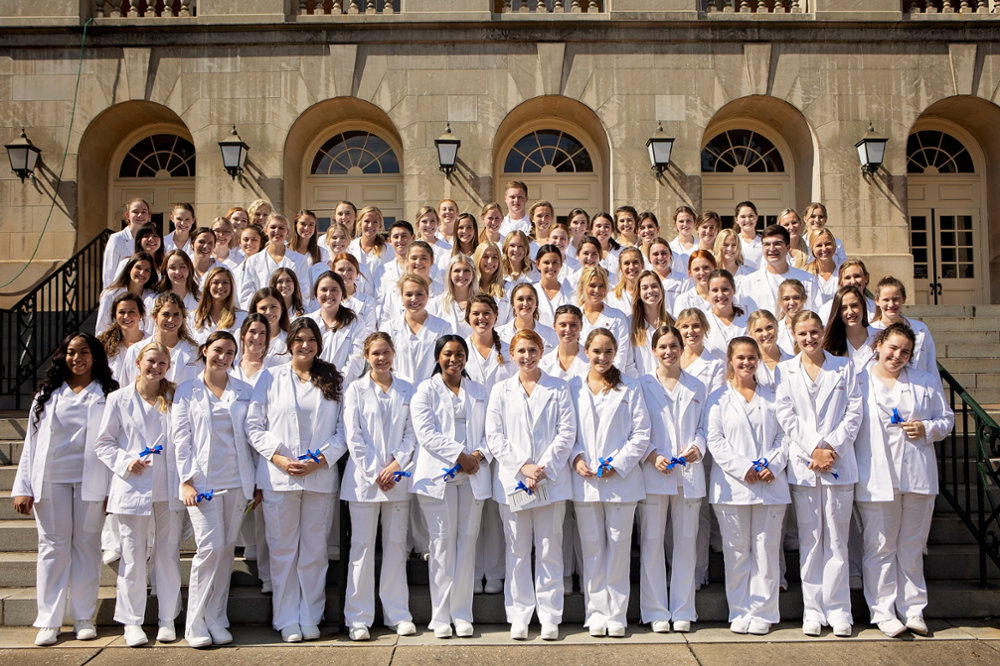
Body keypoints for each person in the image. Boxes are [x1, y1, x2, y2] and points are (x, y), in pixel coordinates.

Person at [246, 317, 347, 643]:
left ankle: (310, 615)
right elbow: (254, 425)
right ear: (289, 342)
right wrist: (277, 457)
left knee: (315, 551)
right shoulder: (270, 378)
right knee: (283, 549)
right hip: (280, 477)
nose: (305, 345)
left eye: (311, 340)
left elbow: (344, 431)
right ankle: (287, 617)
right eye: (299, 339)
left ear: (319, 343)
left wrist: (319, 461)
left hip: (319, 477)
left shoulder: (331, 377)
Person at [13, 333, 118, 646]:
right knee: (53, 548)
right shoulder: (47, 394)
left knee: (86, 547)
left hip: (93, 482)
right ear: (63, 356)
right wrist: (23, 486)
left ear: (95, 356)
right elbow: (31, 444)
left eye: (84, 352)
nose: (77, 358)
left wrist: (114, 488)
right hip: (51, 480)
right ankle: (49, 621)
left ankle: (84, 617)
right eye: (71, 352)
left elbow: (116, 441)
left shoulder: (109, 393)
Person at [855, 323, 954, 638]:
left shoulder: (924, 381)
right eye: (892, 348)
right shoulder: (858, 380)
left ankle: (913, 610)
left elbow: (947, 419)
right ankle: (883, 612)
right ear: (879, 343)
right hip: (877, 477)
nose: (897, 356)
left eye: (905, 352)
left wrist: (926, 428)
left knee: (911, 547)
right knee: (880, 546)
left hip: (917, 475)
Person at [775, 310, 864, 637]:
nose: (809, 338)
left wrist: (831, 448)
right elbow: (785, 415)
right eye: (803, 334)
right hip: (805, 463)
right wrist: (814, 447)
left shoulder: (844, 367)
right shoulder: (785, 370)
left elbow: (855, 411)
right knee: (812, 540)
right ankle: (812, 610)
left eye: (815, 332)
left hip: (838, 462)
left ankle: (839, 610)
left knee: (838, 541)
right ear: (794, 335)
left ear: (823, 331)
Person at [486, 330, 577, 641]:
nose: (527, 356)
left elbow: (566, 433)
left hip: (548, 480)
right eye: (521, 350)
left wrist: (541, 470)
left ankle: (550, 615)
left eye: (533, 349)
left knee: (550, 549)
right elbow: (494, 436)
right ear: (512, 354)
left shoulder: (559, 387)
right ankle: (519, 614)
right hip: (515, 483)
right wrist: (523, 466)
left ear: (542, 351)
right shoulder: (500, 390)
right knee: (518, 550)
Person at [94, 342, 183, 647]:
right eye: (150, 362)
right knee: (133, 558)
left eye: (162, 363)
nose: (156, 368)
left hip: (168, 486)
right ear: (137, 363)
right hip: (134, 486)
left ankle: (168, 618)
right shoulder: (119, 399)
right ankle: (132, 622)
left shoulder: (175, 396)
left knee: (168, 555)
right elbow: (103, 442)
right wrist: (124, 461)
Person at [172, 332, 255, 648]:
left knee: (225, 550)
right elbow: (181, 439)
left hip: (237, 482)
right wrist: (187, 479)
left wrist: (256, 484)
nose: (223, 357)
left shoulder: (244, 390)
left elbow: (251, 436)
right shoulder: (187, 391)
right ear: (204, 351)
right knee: (209, 550)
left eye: (230, 352)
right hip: (203, 484)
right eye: (217, 350)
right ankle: (194, 623)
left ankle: (217, 618)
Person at [706, 336, 790, 635]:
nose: (746, 362)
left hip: (770, 485)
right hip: (732, 487)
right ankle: (740, 609)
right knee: (737, 551)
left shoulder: (773, 396)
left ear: (758, 360)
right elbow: (714, 440)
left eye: (751, 357)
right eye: (740, 357)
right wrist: (744, 468)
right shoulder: (717, 397)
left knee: (766, 551)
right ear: (730, 360)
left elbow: (785, 436)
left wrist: (772, 464)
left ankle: (764, 612)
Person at [410, 335, 492, 638]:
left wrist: (478, 456)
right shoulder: (425, 391)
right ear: (437, 357)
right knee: (442, 547)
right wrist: (460, 457)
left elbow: (492, 431)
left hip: (472, 476)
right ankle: (440, 616)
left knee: (466, 546)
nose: (453, 359)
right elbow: (426, 433)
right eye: (447, 354)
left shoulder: (480, 391)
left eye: (459, 354)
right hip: (439, 477)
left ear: (466, 358)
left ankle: (461, 613)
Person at [570, 328, 649, 637]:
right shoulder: (573, 387)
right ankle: (596, 612)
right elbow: (567, 430)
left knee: (618, 547)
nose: (601, 357)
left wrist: (617, 464)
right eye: (596, 351)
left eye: (607, 351)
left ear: (615, 354)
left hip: (621, 481)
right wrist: (577, 458)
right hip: (586, 480)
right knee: (591, 549)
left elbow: (641, 433)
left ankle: (616, 614)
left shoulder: (630, 386)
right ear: (586, 352)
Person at [341, 332, 418, 641]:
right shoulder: (356, 390)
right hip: (364, 481)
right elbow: (353, 435)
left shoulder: (407, 389)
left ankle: (397, 614)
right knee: (361, 549)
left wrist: (396, 465)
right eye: (375, 353)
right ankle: (358, 618)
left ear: (393, 353)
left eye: (386, 352)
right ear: (366, 356)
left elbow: (412, 434)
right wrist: (376, 471)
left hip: (397, 480)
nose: (381, 358)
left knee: (397, 548)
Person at [637, 326, 706, 634]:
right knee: (651, 543)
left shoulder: (698, 386)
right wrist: (651, 455)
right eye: (662, 346)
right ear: (654, 350)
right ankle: (654, 610)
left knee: (686, 544)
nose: (669, 351)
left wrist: (697, 448)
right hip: (654, 474)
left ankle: (682, 608)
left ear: (682, 348)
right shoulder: (641, 385)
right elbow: (636, 429)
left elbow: (705, 428)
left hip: (688, 475)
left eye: (674, 345)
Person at [463, 295, 516, 596]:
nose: (481, 318)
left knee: (497, 509)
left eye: (487, 313)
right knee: (472, 511)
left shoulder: (506, 350)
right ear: (467, 317)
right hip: (471, 440)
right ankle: (471, 573)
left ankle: (494, 571)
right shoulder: (462, 349)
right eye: (476, 313)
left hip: (503, 437)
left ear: (497, 315)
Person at [230, 313, 274, 596]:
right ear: (243, 335)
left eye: (262, 334)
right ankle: (247, 553)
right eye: (252, 332)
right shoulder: (229, 369)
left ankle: (268, 576)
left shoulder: (273, 372)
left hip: (262, 454)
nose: (256, 338)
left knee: (265, 518)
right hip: (232, 453)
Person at [379, 274, 454, 384]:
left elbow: (447, 364)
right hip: (397, 391)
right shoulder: (388, 328)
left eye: (419, 294)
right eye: (408, 294)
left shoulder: (443, 327)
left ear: (427, 295)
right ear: (401, 296)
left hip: (432, 393)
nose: (414, 299)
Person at [120, 293, 202, 386]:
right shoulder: (136, 350)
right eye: (166, 314)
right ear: (155, 317)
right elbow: (125, 388)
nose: (171, 319)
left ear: (183, 318)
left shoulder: (194, 351)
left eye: (176, 315)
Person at [742, 225, 822, 318]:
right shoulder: (748, 282)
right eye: (767, 245)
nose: (772, 249)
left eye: (777, 244)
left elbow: (818, 313)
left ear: (788, 248)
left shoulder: (808, 280)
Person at [237, 213, 312, 308]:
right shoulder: (253, 261)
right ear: (266, 230)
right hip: (263, 315)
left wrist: (298, 315)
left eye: (281, 228)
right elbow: (247, 295)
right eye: (273, 227)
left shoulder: (300, 260)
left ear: (287, 232)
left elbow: (303, 293)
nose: (277, 231)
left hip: (291, 316)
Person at [871, 276, 939, 378]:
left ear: (904, 299)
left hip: (916, 387)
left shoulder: (921, 330)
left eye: (895, 299)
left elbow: (931, 366)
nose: (891, 304)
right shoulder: (870, 331)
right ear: (877, 301)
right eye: (886, 300)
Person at [306, 271, 366, 384]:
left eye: (334, 290)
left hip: (341, 387)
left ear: (343, 293)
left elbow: (356, 362)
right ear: (316, 293)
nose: (329, 294)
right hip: (309, 385)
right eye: (323, 290)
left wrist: (336, 383)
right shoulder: (306, 322)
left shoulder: (356, 323)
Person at [576, 266, 635, 377]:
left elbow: (622, 354)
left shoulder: (618, 317)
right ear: (583, 287)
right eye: (592, 285)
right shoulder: (574, 319)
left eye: (601, 286)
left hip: (614, 379)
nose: (597, 290)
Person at [96, 252, 157, 334]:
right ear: (129, 269)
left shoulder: (154, 297)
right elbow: (102, 327)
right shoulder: (110, 294)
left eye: (147, 270)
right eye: (138, 268)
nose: (142, 273)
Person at [630, 270, 675, 376]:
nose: (650, 291)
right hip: (641, 387)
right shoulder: (629, 324)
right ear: (639, 294)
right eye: (645, 288)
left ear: (661, 290)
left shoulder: (674, 323)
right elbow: (628, 365)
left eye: (654, 286)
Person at [823, 286, 875, 372]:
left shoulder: (880, 336)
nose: (850, 312)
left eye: (854, 305)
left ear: (863, 306)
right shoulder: (831, 345)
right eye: (843, 308)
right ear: (838, 312)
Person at [189, 266, 246, 344]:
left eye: (225, 282)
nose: (220, 286)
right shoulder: (193, 318)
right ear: (208, 286)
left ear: (231, 287)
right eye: (215, 282)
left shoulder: (243, 317)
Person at [103, 198, 151, 288]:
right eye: (135, 212)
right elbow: (109, 273)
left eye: (144, 212)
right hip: (122, 293)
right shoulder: (117, 239)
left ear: (148, 215)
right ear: (127, 215)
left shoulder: (152, 241)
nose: (140, 215)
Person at [498, 283, 559, 353]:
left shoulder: (550, 334)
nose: (525, 303)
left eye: (529, 299)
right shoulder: (499, 334)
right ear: (513, 304)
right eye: (520, 299)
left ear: (536, 304)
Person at [100, 293, 147, 381]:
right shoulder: (104, 344)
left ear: (140, 314)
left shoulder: (152, 343)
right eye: (121, 312)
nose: (126, 316)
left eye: (131, 312)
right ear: (115, 316)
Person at [428, 254, 479, 336]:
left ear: (473, 274)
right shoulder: (435, 304)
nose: (462, 274)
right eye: (457, 271)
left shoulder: (482, 304)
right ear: (449, 274)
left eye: (466, 271)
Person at [704, 269, 749, 361]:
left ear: (733, 290)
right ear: (708, 292)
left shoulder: (748, 322)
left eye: (725, 289)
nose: (720, 295)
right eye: (715, 290)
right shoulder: (703, 322)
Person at [817, 259, 878, 325]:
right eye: (848, 278)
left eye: (857, 276)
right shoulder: (828, 309)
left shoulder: (876, 307)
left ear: (866, 277)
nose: (853, 281)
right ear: (840, 282)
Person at [148, 248, 200, 318]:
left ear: (189, 269)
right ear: (166, 270)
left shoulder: (201, 299)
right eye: (172, 268)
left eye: (182, 267)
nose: (178, 272)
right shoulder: (152, 300)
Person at [747, 309, 791, 390]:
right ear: (751, 335)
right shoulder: (748, 365)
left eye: (769, 327)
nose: (766, 333)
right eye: (759, 330)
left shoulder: (793, 361)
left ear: (777, 327)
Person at [535, 244, 575, 327]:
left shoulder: (570, 293)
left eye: (555, 262)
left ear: (561, 264)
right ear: (538, 264)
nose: (551, 267)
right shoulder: (532, 292)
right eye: (546, 262)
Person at [248, 287, 290, 363]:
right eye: (263, 308)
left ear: (282, 309)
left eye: (273, 307)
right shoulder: (244, 337)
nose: (268, 312)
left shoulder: (290, 340)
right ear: (255, 310)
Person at [646, 236, 687, 311]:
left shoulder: (684, 280)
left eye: (664, 253)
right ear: (649, 257)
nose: (660, 257)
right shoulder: (644, 280)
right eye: (655, 254)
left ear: (670, 254)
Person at [672, 250, 718, 316]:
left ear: (715, 268)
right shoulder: (684, 300)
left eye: (706, 268)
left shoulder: (726, 296)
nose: (702, 273)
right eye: (697, 269)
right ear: (690, 273)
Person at [604, 247, 644, 314]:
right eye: (626, 263)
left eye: (635, 262)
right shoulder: (612, 298)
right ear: (621, 268)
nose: (631, 267)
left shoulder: (651, 293)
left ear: (642, 265)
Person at [805, 228, 841, 304]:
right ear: (812, 249)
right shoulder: (805, 275)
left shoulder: (843, 272)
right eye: (819, 245)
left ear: (834, 245)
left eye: (828, 244)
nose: (824, 249)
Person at [587, 213, 621, 277]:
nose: (602, 230)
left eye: (606, 226)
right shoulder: (585, 252)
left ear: (612, 230)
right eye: (598, 226)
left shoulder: (622, 252)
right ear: (591, 228)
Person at [669, 206, 698, 275]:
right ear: (675, 223)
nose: (685, 224)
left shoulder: (700, 246)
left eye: (688, 221)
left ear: (694, 221)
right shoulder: (669, 247)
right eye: (681, 221)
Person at [734, 201, 762, 269]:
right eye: (743, 217)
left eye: (751, 216)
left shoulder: (764, 242)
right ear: (736, 219)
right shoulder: (733, 241)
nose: (747, 220)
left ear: (756, 217)